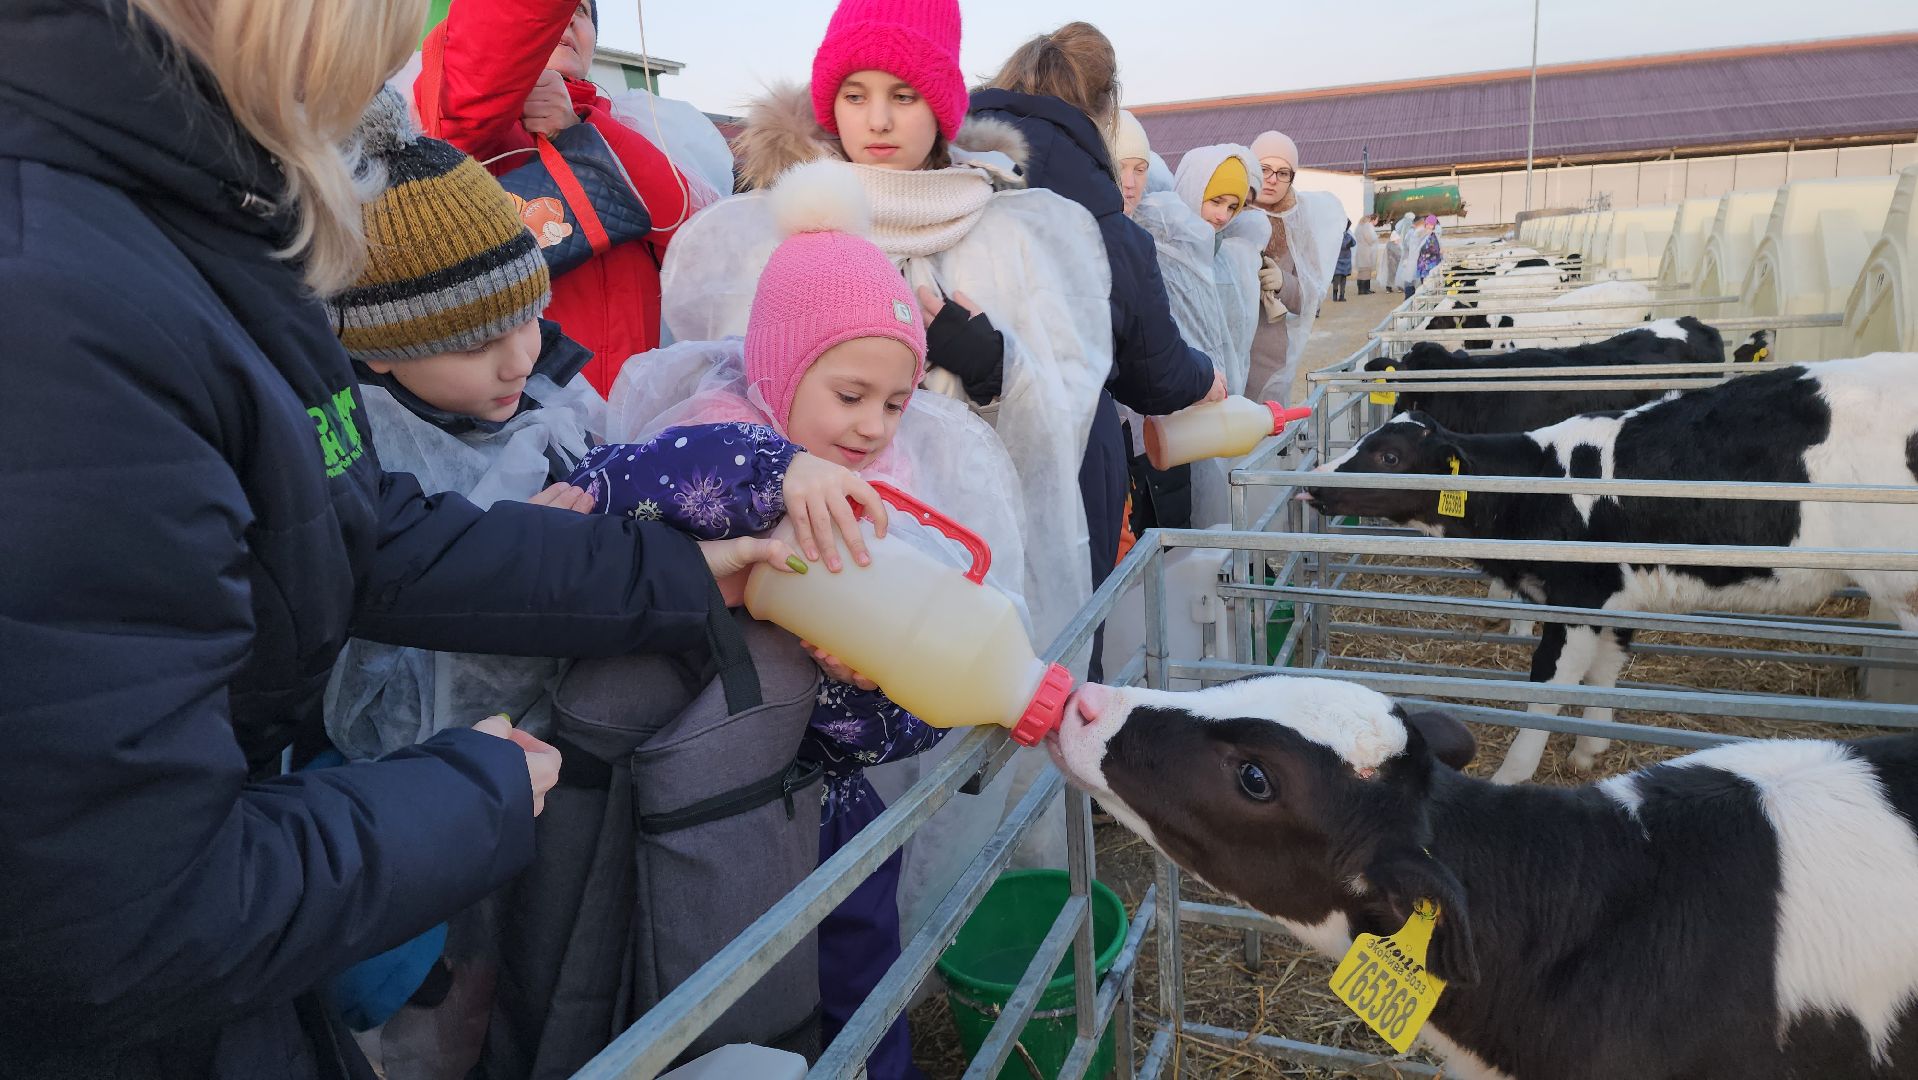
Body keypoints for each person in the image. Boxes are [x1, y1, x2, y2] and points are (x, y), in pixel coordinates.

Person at [0, 2, 803, 1077]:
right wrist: (467, 790)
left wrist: (677, 574)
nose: (384, 84)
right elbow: (123, 912)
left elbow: (362, 529)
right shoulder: (66, 302)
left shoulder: (196, 214)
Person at [571, 162, 1030, 1080]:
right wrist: (776, 477)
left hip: (832, 788)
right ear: (783, 370)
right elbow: (626, 491)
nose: (871, 427)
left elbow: (909, 698)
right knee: (747, 984)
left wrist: (876, 674)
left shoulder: (892, 491)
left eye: (895, 402)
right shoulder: (710, 446)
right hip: (721, 793)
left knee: (865, 952)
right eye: (849, 396)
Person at [970, 21, 1224, 607]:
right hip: (1066, 448)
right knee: (1065, 636)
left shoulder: (942, 168)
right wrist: (1202, 375)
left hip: (937, 445)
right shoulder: (1105, 225)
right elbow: (1152, 372)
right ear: (1105, 108)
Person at [416, 0, 713, 394]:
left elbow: (696, 237)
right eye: (561, 8)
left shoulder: (638, 122)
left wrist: (580, 129)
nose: (570, 18)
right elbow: (487, 48)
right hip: (521, 412)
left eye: (584, 13)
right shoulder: (465, 107)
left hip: (635, 412)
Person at [1169, 144, 1270, 528]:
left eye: (1233, 207)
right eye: (1215, 201)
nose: (1222, 216)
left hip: (1215, 389)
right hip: (1174, 397)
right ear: (1194, 189)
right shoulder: (1164, 246)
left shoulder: (1225, 253)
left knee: (1215, 487)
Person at [1245, 129, 1347, 404]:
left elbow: (1309, 295)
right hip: (1221, 346)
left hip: (1268, 351)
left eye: (1283, 172)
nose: (1272, 179)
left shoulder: (1298, 226)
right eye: (1264, 168)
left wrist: (1282, 283)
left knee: (1264, 434)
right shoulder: (1225, 211)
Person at [1353, 213, 1380, 295]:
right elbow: (1370, 238)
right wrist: (1376, 237)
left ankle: (1361, 289)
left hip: (1360, 250)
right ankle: (1365, 289)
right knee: (1366, 270)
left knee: (1361, 271)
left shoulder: (1358, 226)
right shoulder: (1367, 226)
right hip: (1366, 250)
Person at [1333, 220, 1355, 301]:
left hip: (1339, 260)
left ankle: (1336, 295)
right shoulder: (1347, 236)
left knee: (1337, 278)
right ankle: (1341, 296)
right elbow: (1353, 243)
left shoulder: (1337, 235)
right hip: (1344, 260)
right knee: (1342, 279)